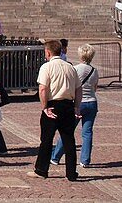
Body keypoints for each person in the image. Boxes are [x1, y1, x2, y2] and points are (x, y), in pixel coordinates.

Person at [33, 38, 82, 181]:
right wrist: (77, 107)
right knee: (69, 140)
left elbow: (42, 88)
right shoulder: (70, 67)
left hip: (53, 104)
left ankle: (42, 170)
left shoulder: (46, 67)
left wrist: (44, 108)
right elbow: (79, 89)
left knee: (46, 139)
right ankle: (71, 173)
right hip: (68, 105)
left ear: (48, 52)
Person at [51, 43, 99, 170]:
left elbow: (72, 84)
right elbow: (95, 88)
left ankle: (55, 157)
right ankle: (85, 160)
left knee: (67, 130)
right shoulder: (94, 71)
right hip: (92, 102)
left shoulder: (76, 68)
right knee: (87, 132)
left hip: (79, 102)